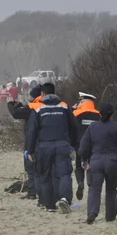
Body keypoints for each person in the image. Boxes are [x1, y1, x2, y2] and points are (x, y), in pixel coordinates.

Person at [26, 83, 78, 213]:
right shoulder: (64, 107)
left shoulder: (38, 109)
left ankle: (49, 205)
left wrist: (30, 150)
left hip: (44, 146)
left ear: (42, 94)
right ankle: (65, 199)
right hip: (62, 144)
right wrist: (72, 144)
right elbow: (74, 127)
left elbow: (32, 131)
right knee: (64, 173)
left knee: (45, 175)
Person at [79, 103, 117, 224]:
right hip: (112, 160)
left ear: (100, 113)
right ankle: (110, 216)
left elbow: (84, 146)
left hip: (95, 160)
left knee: (94, 189)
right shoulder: (116, 126)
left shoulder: (92, 126)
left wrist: (84, 159)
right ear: (111, 114)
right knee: (111, 189)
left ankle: (92, 213)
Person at [8, 85, 43, 203]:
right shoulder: (47, 106)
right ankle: (43, 192)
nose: (28, 97)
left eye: (30, 95)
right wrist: (21, 106)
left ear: (35, 96)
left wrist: (10, 104)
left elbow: (16, 114)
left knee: (30, 168)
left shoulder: (33, 107)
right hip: (46, 142)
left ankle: (32, 192)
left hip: (32, 141)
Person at [72, 92, 100, 201]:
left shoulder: (76, 113)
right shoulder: (99, 115)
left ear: (82, 101)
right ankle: (92, 186)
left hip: (80, 144)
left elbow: (72, 129)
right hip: (95, 145)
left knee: (79, 166)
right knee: (92, 166)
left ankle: (80, 182)